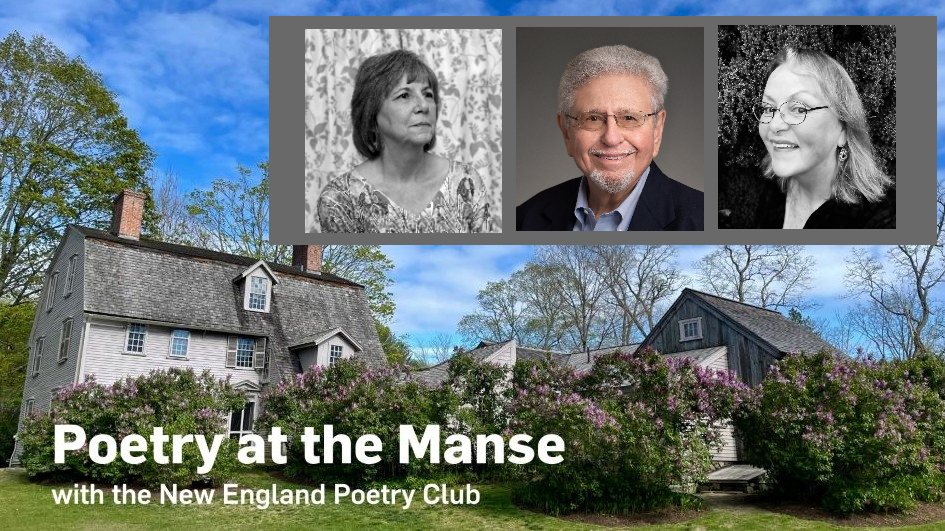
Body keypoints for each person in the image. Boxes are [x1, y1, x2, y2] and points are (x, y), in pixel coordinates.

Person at [516, 44, 703, 231]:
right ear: (566, 132)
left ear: (657, 129)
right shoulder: (524, 220)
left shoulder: (703, 220)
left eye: (629, 118)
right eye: (593, 118)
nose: (611, 138)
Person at [318, 49, 494, 233]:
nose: (424, 106)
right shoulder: (340, 198)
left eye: (427, 94)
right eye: (404, 95)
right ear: (371, 115)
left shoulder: (466, 181)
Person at [748, 46, 894, 229]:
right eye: (769, 109)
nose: (775, 125)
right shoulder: (774, 187)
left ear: (844, 129)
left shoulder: (885, 220)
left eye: (799, 109)